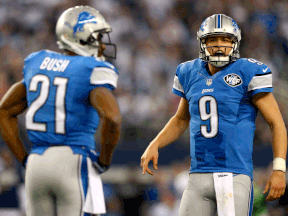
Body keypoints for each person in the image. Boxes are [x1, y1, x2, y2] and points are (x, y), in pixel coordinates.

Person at [141, 14, 287, 216]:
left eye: (226, 40)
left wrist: (279, 169)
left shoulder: (248, 71)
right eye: (213, 40)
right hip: (197, 176)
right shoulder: (188, 72)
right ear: (203, 43)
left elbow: (276, 123)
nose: (219, 45)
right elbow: (181, 118)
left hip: (234, 174)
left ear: (235, 43)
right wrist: (155, 143)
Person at [0, 6, 121, 216]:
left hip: (37, 163)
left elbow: (4, 110)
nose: (101, 43)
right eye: (96, 36)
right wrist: (104, 160)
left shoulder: (38, 62)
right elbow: (112, 117)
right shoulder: (90, 69)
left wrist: (24, 158)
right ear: (80, 37)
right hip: (72, 160)